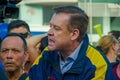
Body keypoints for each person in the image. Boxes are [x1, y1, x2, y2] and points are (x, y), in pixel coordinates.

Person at [28, 6, 116, 80]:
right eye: (50, 26)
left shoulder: (97, 64)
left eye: (56, 28)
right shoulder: (46, 54)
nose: (49, 32)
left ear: (74, 34)